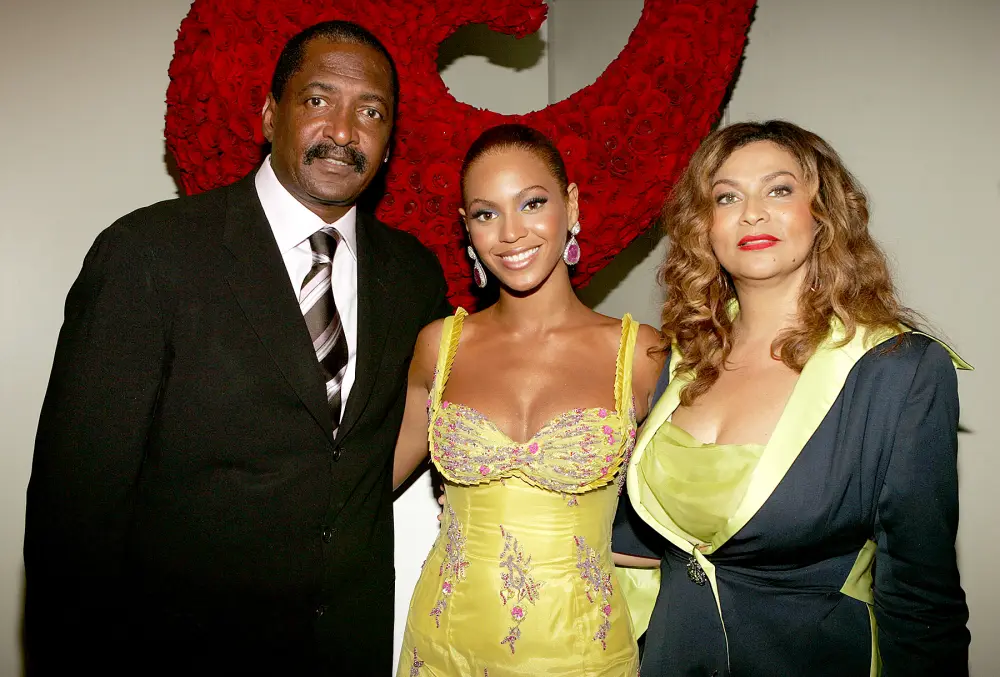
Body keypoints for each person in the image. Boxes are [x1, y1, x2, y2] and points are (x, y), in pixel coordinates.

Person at [24, 20, 449, 676]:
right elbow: (74, 517)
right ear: (268, 115)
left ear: (390, 143)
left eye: (371, 112)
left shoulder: (415, 276)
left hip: (349, 647)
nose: (343, 131)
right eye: (318, 100)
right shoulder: (149, 255)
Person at [613, 120, 971, 676]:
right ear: (705, 227)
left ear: (824, 213)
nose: (751, 213)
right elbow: (638, 536)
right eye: (726, 197)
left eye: (778, 190)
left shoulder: (897, 370)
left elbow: (922, 599)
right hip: (670, 658)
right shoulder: (685, 358)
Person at [392, 124, 664, 676]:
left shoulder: (642, 353)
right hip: (442, 647)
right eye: (486, 213)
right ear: (466, 229)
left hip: (582, 654)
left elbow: (698, 513)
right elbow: (359, 486)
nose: (511, 233)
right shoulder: (438, 345)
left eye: (532, 203)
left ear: (571, 204)